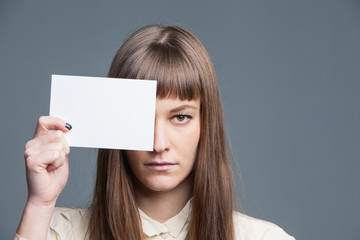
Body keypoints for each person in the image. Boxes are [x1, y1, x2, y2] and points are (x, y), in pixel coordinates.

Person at [15, 25, 295, 240]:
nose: (159, 143)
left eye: (181, 117)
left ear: (206, 125)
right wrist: (40, 204)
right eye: (142, 119)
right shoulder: (55, 232)